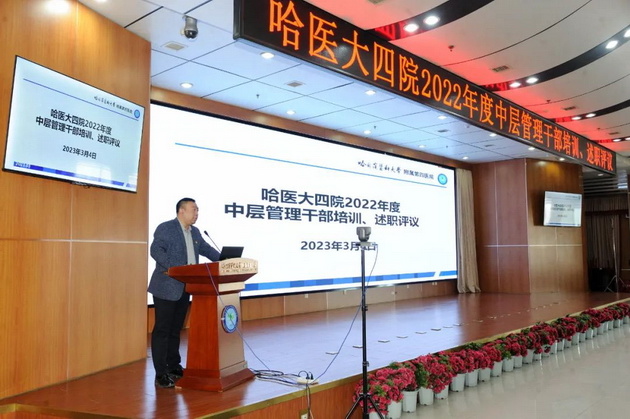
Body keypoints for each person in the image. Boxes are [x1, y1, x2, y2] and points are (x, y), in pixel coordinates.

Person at [148, 197, 220, 388]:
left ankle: (174, 366)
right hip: (166, 285)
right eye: (194, 209)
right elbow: (156, 250)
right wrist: (174, 269)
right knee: (163, 330)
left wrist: (225, 260)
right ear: (181, 211)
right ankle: (161, 373)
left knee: (175, 329)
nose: (197, 213)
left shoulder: (194, 231)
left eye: (197, 210)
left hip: (185, 287)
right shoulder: (166, 228)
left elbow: (206, 250)